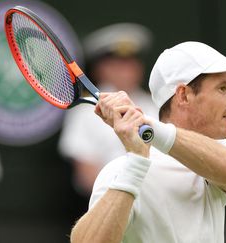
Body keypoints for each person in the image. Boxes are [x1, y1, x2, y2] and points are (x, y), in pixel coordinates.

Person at [70, 41, 226, 243]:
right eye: (223, 88)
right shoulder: (119, 171)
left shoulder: (218, 155)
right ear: (183, 95)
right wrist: (136, 163)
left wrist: (147, 127)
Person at [58, 23, 158, 198]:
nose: (126, 71)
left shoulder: (155, 106)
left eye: (131, 63)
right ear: (101, 69)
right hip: (105, 207)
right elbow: (86, 176)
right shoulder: (84, 113)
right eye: (118, 64)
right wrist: (124, 198)